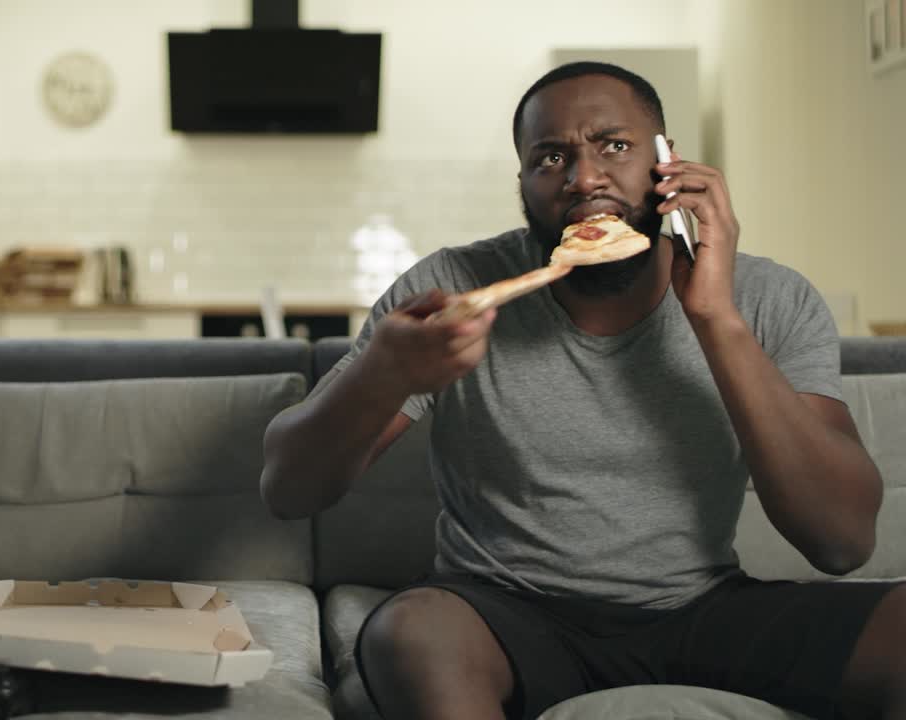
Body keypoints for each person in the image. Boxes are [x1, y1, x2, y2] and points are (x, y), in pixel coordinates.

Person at [259, 62, 904, 720]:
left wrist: (717, 319)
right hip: (500, 615)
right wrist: (384, 373)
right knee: (412, 633)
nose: (584, 177)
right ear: (523, 186)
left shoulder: (770, 299)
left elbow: (842, 541)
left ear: (668, 164)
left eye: (614, 146)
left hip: (702, 609)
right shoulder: (455, 286)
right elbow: (288, 489)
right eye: (551, 157)